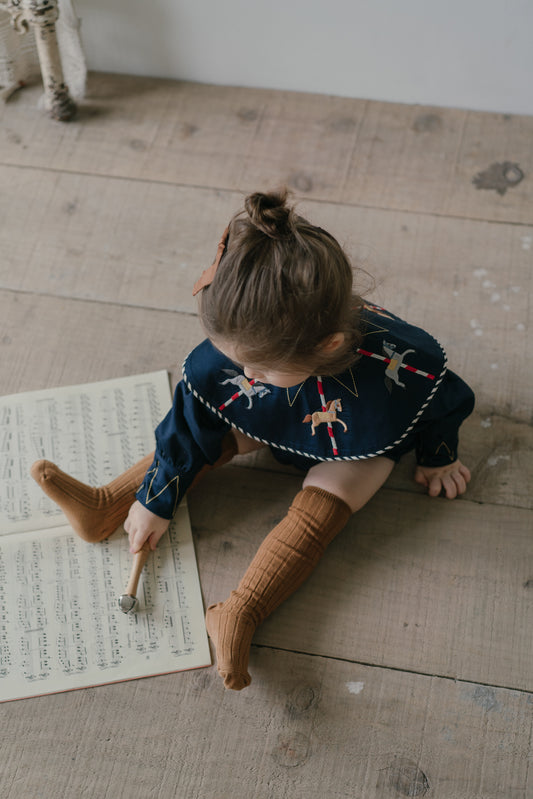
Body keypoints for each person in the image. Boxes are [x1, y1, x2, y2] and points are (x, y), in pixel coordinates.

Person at [31, 189, 474, 691]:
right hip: (272, 411)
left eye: (257, 366)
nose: (243, 372)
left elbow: (446, 400)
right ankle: (108, 504)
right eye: (235, 359)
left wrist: (438, 457)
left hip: (351, 431)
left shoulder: (396, 363)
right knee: (214, 425)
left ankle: (241, 610)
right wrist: (156, 500)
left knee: (336, 490)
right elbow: (191, 420)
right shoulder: (246, 348)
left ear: (326, 345)